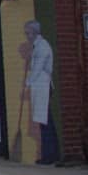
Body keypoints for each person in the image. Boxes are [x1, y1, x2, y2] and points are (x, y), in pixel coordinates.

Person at [25, 20, 59, 165]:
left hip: (43, 86)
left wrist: (28, 83)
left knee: (45, 121)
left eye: (28, 33)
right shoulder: (37, 46)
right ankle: (50, 153)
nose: (27, 36)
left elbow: (38, 68)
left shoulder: (42, 46)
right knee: (44, 121)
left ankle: (50, 154)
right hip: (40, 85)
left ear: (34, 32)